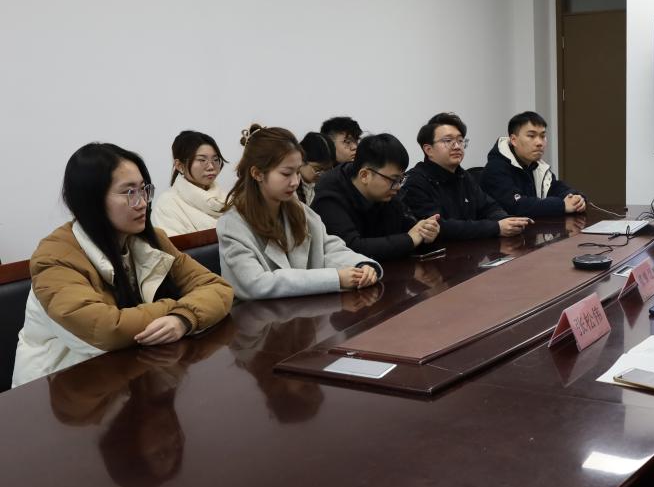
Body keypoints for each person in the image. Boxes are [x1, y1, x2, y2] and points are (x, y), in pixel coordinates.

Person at [12, 143, 233, 388]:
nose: (142, 203)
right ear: (91, 200)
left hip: (131, 374)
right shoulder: (55, 257)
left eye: (144, 190)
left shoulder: (152, 239)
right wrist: (176, 306)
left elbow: (217, 288)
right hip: (59, 388)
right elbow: (106, 329)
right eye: (129, 192)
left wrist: (183, 318)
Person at [217, 124, 381, 301]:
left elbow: (328, 248)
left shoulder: (298, 209)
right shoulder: (232, 224)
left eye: (297, 172)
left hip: (304, 309)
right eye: (286, 173)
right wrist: (335, 278)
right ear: (257, 173)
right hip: (259, 316)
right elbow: (257, 283)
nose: (295, 182)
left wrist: (360, 266)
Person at [312, 132, 441, 261]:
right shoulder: (329, 197)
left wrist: (425, 232)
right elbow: (351, 248)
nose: (398, 187)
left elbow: (408, 229)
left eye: (401, 179)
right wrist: (409, 239)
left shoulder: (386, 192)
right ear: (364, 175)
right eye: (394, 180)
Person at [402, 112, 531, 240]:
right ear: (428, 150)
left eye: (460, 140)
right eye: (448, 141)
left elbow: (489, 207)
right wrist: (496, 227)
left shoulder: (463, 176)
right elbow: (439, 227)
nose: (457, 146)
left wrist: (508, 221)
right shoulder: (415, 181)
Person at [481, 111, 586, 217]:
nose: (539, 143)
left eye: (542, 136)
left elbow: (556, 188)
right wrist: (562, 205)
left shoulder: (537, 165)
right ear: (514, 140)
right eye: (531, 136)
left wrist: (576, 199)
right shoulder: (495, 168)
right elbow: (517, 206)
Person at [151, 130, 229, 236]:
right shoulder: (168, 204)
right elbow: (175, 245)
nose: (211, 166)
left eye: (215, 159)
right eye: (202, 160)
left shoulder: (228, 198)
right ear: (179, 166)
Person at [297, 132, 337, 206]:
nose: (322, 175)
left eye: (327, 170)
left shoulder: (326, 186)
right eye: (318, 169)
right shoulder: (291, 186)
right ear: (302, 160)